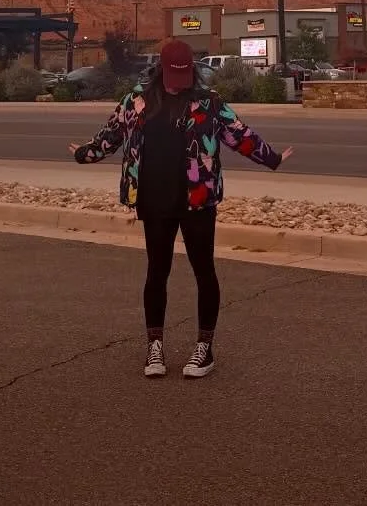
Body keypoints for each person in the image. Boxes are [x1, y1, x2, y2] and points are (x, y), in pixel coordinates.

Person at [70, 38, 293, 379]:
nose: (179, 82)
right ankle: (154, 347)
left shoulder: (209, 102)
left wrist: (272, 158)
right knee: (156, 273)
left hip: (198, 199)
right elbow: (111, 136)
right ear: (161, 70)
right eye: (174, 75)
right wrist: (85, 153)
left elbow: (239, 134)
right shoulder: (137, 100)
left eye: (185, 75)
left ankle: (204, 348)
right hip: (153, 197)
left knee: (204, 270)